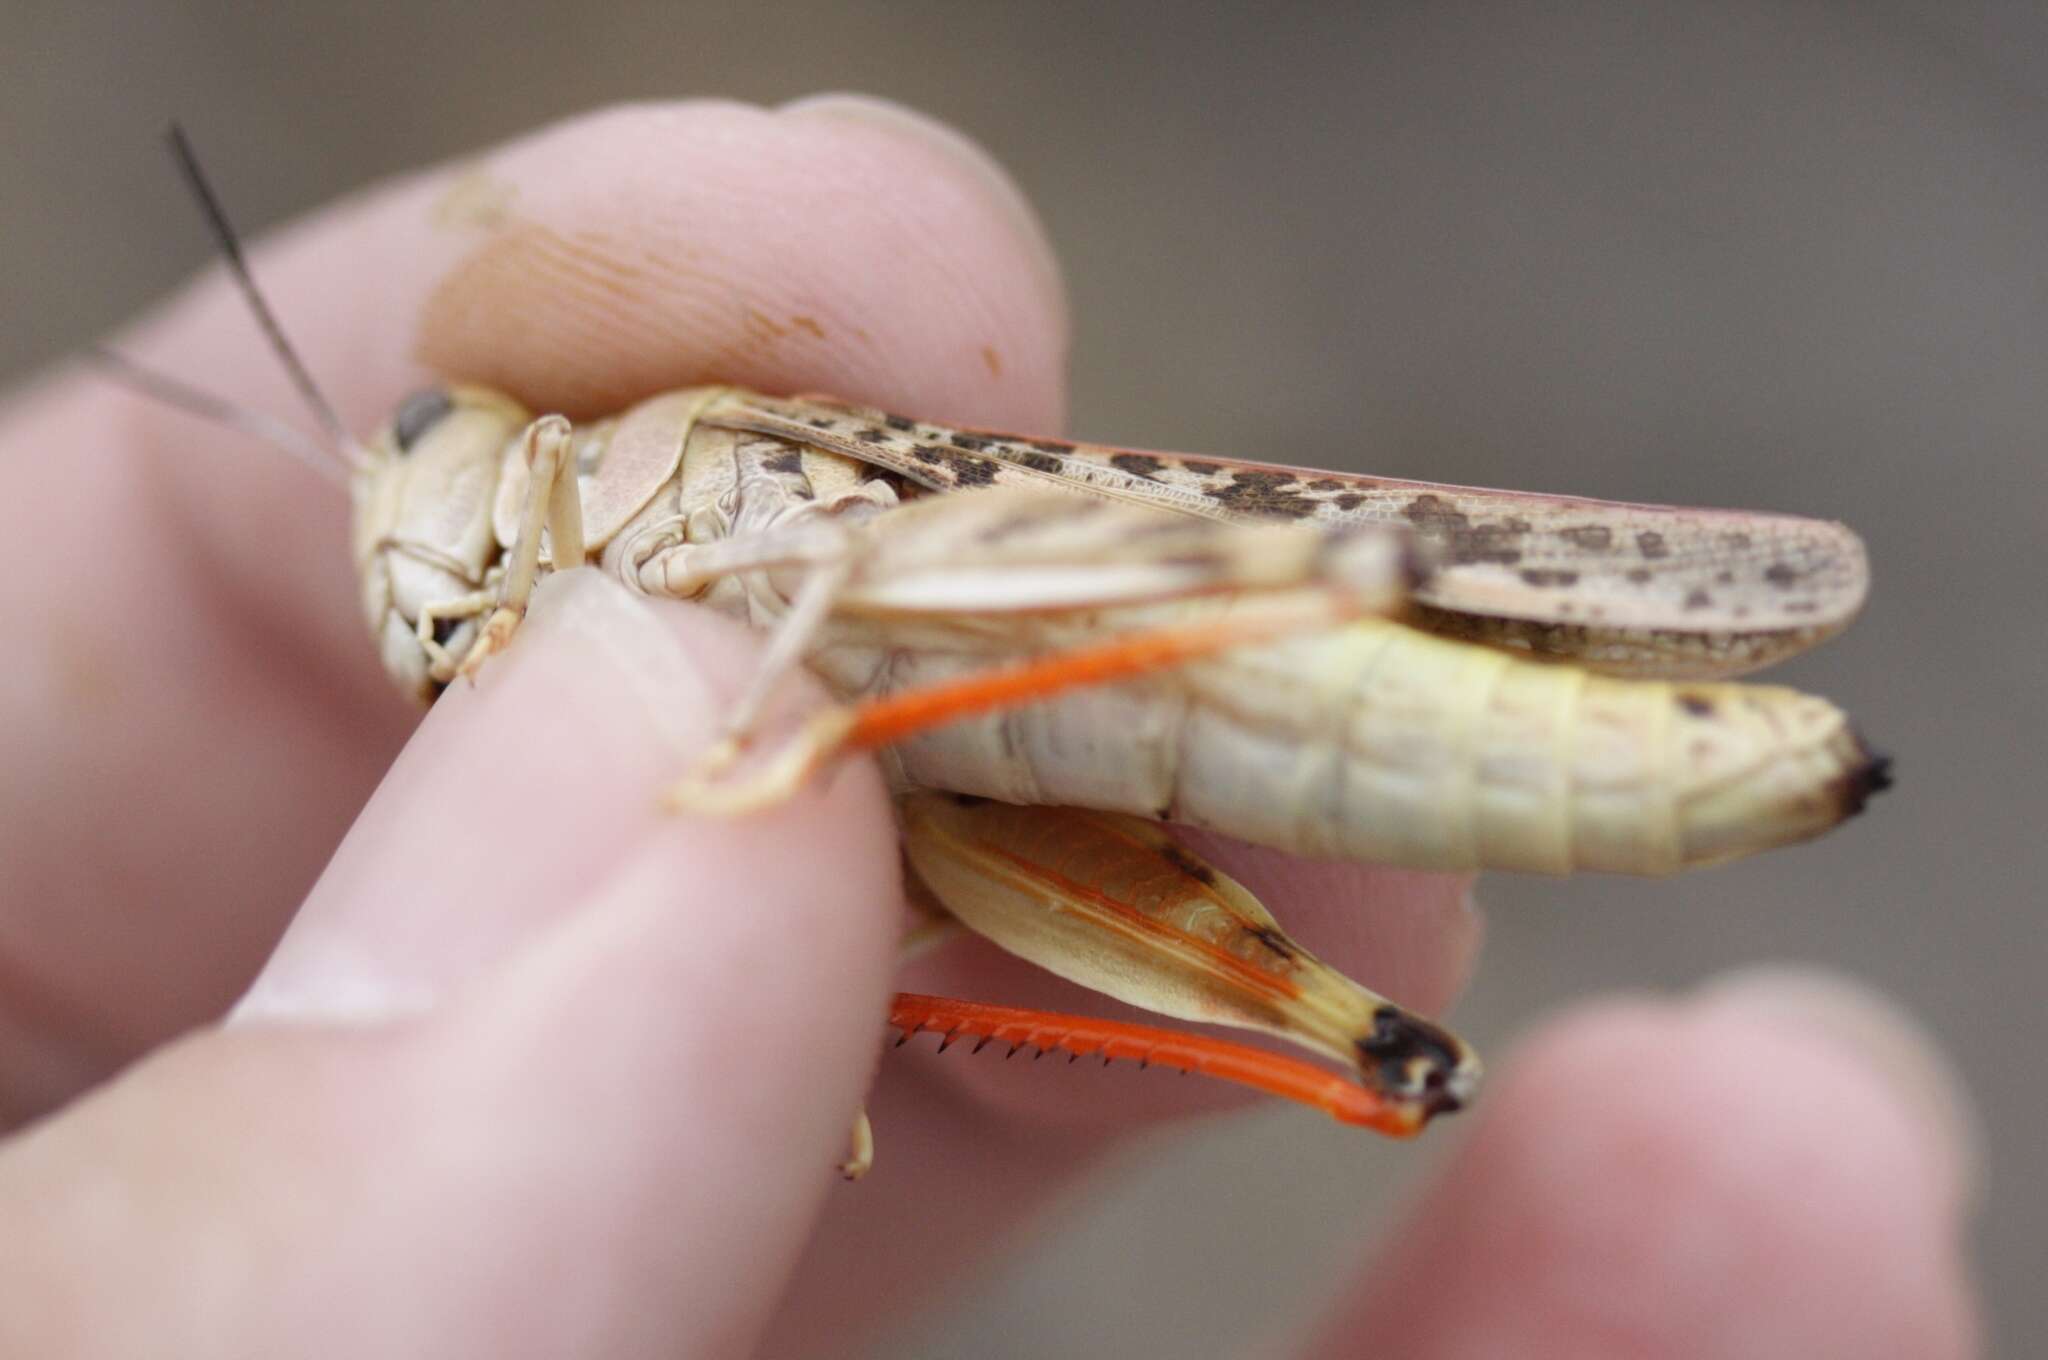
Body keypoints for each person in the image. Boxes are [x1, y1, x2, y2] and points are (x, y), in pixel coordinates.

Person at [0, 97, 1978, 1356]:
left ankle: (1333, 575)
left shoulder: (677, 453)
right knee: (1355, 1042)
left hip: (1244, 621)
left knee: (1034, 591)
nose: (395, 545)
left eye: (402, 467)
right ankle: (1331, 1048)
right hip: (1004, 780)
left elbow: (868, 581)